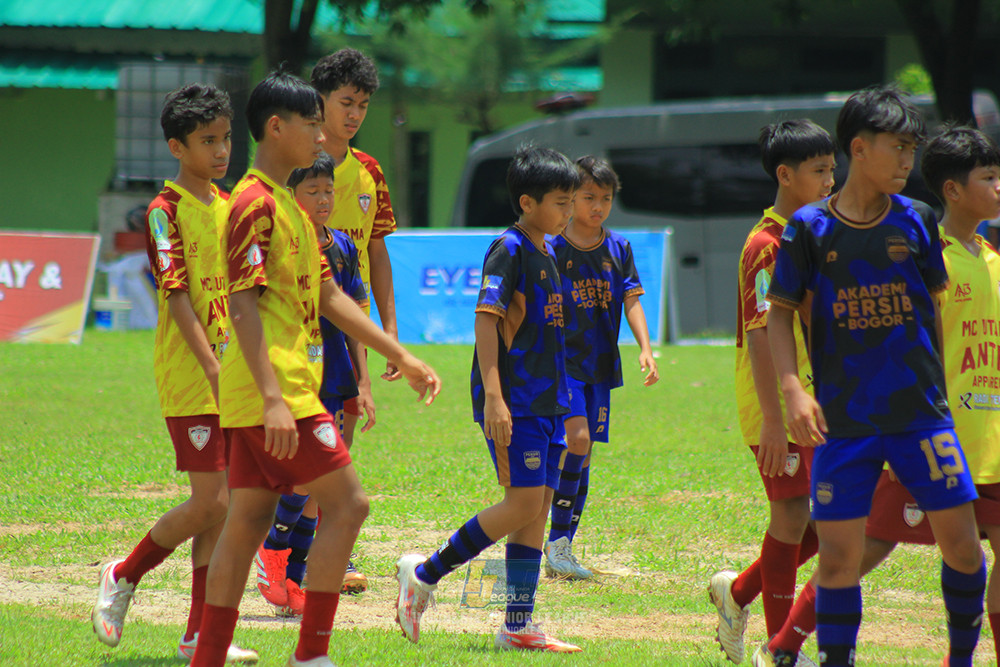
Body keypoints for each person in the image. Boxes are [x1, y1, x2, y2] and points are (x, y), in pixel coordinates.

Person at [189, 69, 441, 667]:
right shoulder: (254, 204)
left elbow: (330, 297)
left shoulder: (292, 209)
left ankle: (208, 657)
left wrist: (398, 354)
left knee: (247, 521)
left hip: (273, 391)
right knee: (349, 504)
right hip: (277, 392)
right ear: (276, 129)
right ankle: (311, 654)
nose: (323, 138)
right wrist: (274, 397)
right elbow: (243, 304)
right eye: (311, 126)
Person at [754, 125, 1000, 667]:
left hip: (923, 419)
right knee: (845, 556)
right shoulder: (809, 229)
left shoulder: (916, 218)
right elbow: (780, 312)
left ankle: (959, 659)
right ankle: (812, 653)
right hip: (847, 423)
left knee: (963, 548)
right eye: (899, 148)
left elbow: (933, 310)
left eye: (913, 149)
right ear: (859, 149)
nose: (908, 160)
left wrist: (935, 390)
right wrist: (793, 390)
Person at [90, 83, 257, 663]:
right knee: (212, 502)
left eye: (227, 138)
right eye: (207, 141)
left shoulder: (230, 203)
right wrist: (211, 364)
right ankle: (125, 572)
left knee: (227, 503)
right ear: (176, 147)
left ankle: (198, 635)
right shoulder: (164, 213)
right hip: (191, 375)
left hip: (231, 371)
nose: (221, 151)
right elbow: (178, 295)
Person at [394, 145, 582, 653]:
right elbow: (486, 320)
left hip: (548, 402)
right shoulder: (510, 248)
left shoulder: (548, 250)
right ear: (528, 201)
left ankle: (517, 624)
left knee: (536, 507)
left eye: (572, 202)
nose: (570, 212)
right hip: (515, 401)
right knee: (520, 502)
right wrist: (495, 397)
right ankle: (425, 574)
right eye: (561, 202)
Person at [709, 120, 835, 664]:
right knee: (791, 517)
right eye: (819, 171)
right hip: (779, 404)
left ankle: (736, 594)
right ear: (785, 176)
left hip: (820, 400)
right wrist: (772, 423)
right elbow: (761, 337)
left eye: (833, 169)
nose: (831, 180)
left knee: (830, 522)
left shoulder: (816, 230)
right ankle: (781, 646)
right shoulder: (767, 245)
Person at [253, 152, 373, 617]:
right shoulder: (282, 244)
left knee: (321, 488)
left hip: (338, 375)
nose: (324, 199)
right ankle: (273, 551)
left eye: (329, 190)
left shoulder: (342, 246)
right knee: (307, 477)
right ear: (292, 194)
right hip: (299, 375)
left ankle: (292, 581)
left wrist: (362, 382)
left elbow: (354, 316)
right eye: (313, 191)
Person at [544, 155, 659, 580]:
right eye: (588, 197)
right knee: (577, 440)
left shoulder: (618, 248)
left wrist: (645, 347)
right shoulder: (553, 247)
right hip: (562, 363)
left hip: (600, 365)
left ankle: (563, 549)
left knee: (585, 454)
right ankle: (556, 544)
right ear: (570, 198)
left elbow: (632, 299)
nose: (597, 206)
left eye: (605, 199)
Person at [310, 46, 397, 588]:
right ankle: (286, 551)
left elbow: (379, 253)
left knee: (340, 434)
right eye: (345, 102)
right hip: (303, 320)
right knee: (306, 443)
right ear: (319, 101)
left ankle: (325, 551)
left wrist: (388, 330)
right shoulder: (295, 163)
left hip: (352, 324)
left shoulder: (369, 172)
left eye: (363, 104)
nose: (354, 114)